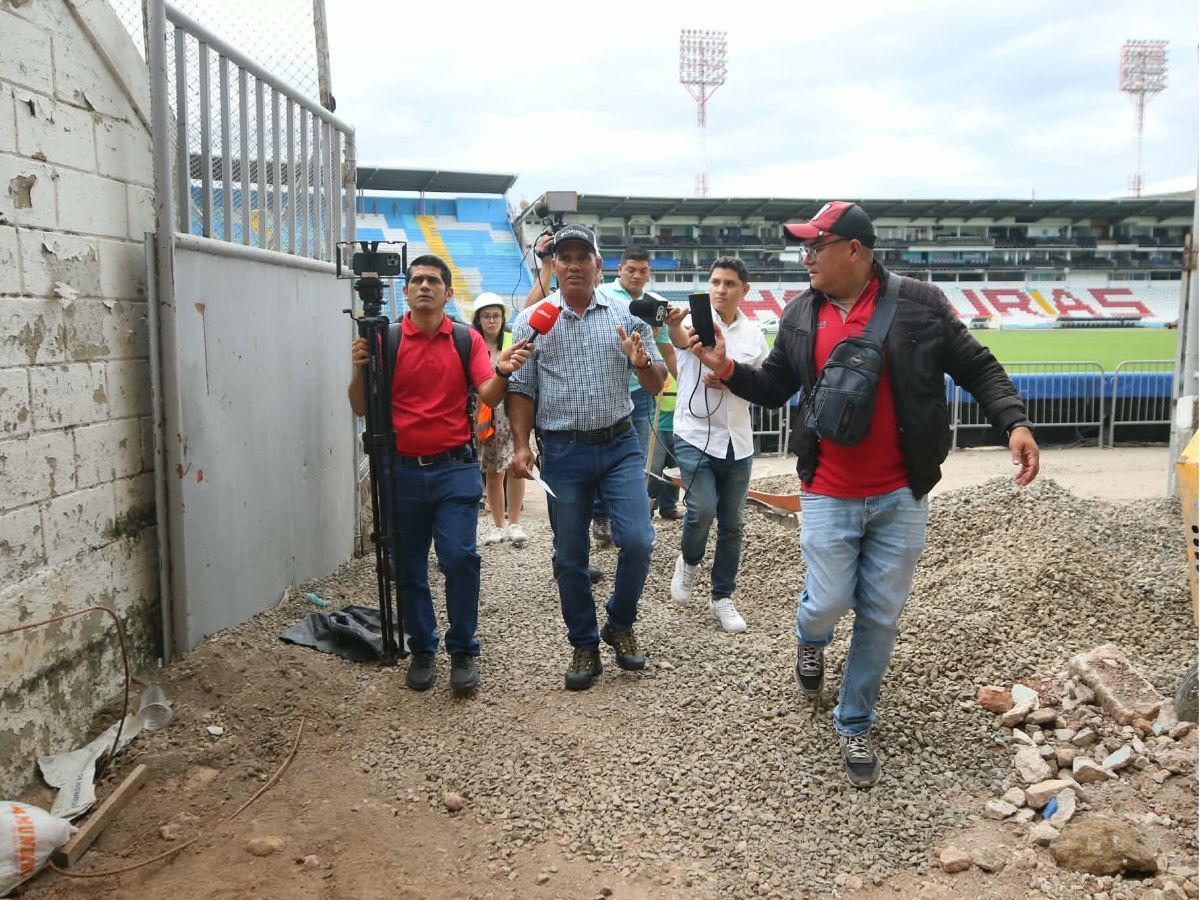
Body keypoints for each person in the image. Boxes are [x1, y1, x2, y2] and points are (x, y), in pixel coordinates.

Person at [687, 202, 1039, 788]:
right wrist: (727, 371)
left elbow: (978, 366)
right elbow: (775, 386)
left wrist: (1015, 423)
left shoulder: (921, 305)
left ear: (855, 249)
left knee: (880, 613)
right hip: (827, 488)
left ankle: (854, 720)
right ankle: (810, 639)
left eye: (815, 246)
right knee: (826, 602)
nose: (806, 258)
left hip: (903, 492)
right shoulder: (801, 312)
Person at [349, 255, 531, 696]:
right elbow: (359, 406)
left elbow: (487, 390)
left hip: (454, 467)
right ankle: (424, 649)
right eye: (416, 280)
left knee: (460, 558)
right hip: (402, 471)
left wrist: (504, 370)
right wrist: (359, 367)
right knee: (408, 567)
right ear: (406, 291)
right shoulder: (386, 340)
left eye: (433, 280)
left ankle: (463, 649)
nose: (424, 286)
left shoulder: (465, 340)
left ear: (448, 294)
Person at [506, 225, 667, 691]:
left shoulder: (626, 316)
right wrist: (521, 444)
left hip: (619, 445)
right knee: (569, 555)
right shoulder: (533, 320)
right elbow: (520, 388)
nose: (574, 264)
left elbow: (656, 383)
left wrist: (639, 361)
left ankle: (620, 620)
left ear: (598, 265)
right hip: (562, 450)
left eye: (583, 256)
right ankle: (584, 642)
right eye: (565, 257)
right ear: (554, 266)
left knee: (638, 540)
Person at [665, 257, 769, 634]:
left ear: (745, 289)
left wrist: (730, 377)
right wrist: (676, 328)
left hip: (738, 439)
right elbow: (679, 342)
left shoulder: (755, 334)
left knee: (734, 525)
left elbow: (760, 382)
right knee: (702, 510)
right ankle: (689, 560)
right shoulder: (693, 322)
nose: (720, 289)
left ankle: (722, 596)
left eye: (728, 283)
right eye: (715, 282)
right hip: (693, 433)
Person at [471, 293, 528, 548]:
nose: (491, 321)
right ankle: (497, 525)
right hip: (485, 415)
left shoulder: (512, 341)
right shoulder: (473, 344)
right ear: (478, 319)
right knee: (493, 471)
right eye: (486, 316)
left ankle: (514, 522)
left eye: (495, 315)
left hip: (513, 411)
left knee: (517, 469)